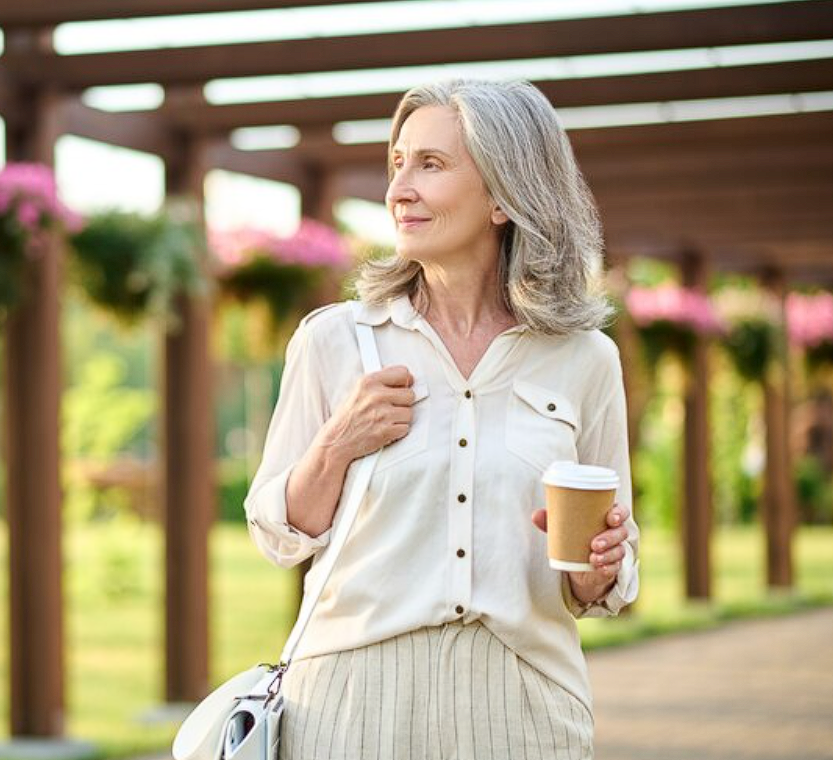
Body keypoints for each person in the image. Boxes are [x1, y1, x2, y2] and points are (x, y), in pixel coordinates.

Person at [243, 78, 640, 760]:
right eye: (397, 162)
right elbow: (276, 533)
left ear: (501, 195)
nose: (400, 187)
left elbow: (603, 572)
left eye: (430, 164)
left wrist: (601, 566)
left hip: (524, 706)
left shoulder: (584, 359)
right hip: (349, 701)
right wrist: (338, 442)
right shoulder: (333, 341)